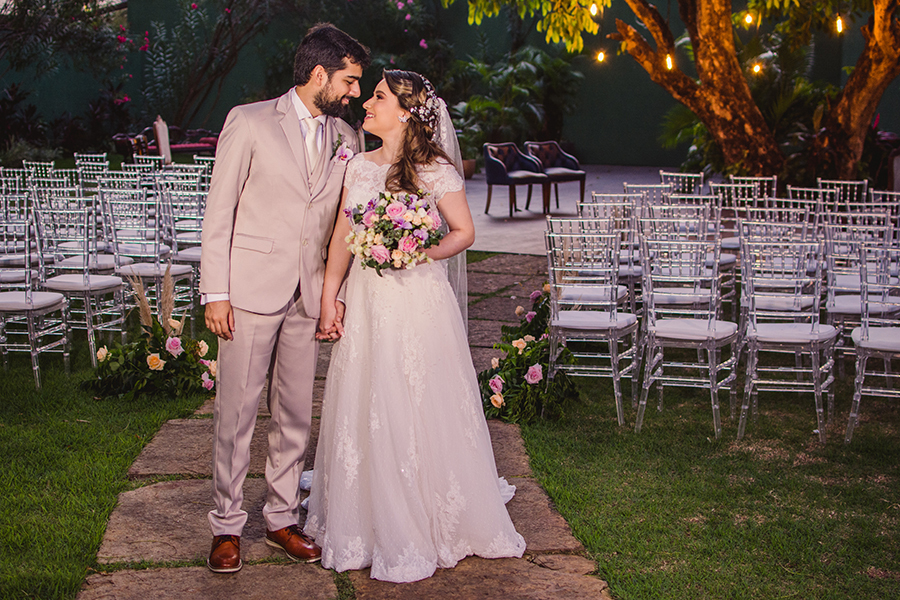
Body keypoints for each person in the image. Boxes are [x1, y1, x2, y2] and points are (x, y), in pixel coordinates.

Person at [305, 70, 526, 583]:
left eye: (378, 97)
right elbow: (341, 237)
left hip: (418, 299)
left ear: (405, 112)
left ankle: (432, 510)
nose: (367, 103)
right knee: (368, 393)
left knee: (420, 394)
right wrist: (329, 296)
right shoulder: (357, 167)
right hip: (368, 298)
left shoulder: (434, 170)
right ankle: (365, 511)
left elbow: (463, 232)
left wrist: (418, 251)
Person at [199, 23, 370, 574]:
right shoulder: (248, 121)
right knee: (237, 414)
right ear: (319, 74)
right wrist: (217, 293)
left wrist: (333, 293)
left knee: (295, 413)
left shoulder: (348, 139)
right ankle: (226, 526)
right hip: (249, 290)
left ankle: (280, 518)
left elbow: (341, 222)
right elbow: (219, 211)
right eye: (349, 80)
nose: (355, 93)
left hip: (308, 294)